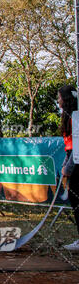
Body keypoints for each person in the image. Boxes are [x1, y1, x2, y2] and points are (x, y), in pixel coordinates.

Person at [59, 84, 79, 251]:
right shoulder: (67, 117)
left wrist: (69, 167)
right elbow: (70, 147)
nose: (57, 100)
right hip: (73, 161)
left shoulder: (75, 118)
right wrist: (65, 166)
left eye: (59, 97)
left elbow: (78, 147)